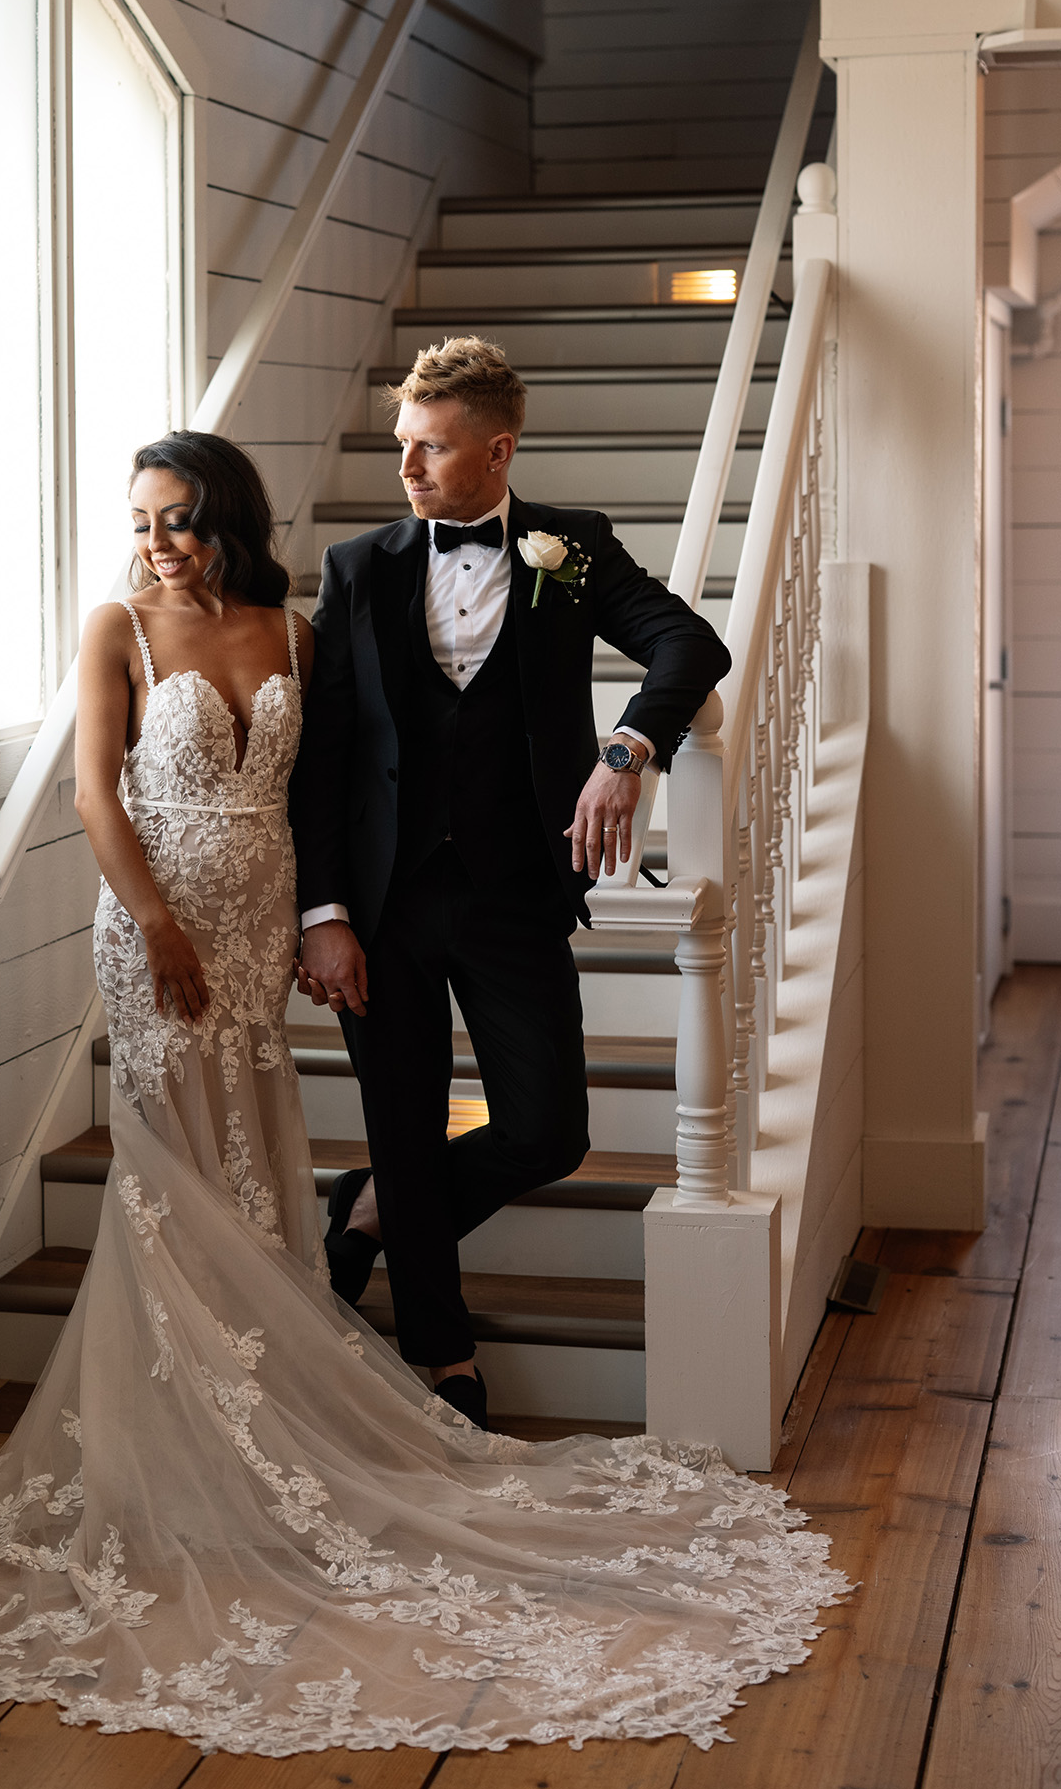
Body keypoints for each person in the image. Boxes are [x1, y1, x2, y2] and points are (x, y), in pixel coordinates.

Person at [0, 427, 845, 1756]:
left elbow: (325, 784)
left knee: (264, 1156)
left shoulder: (300, 627)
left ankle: (293, 1366)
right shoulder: (119, 626)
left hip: (268, 929)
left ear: (229, 518)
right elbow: (91, 791)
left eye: (179, 517)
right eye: (140, 518)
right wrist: (163, 925)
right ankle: (184, 1445)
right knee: (168, 1169)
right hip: (159, 925)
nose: (155, 540)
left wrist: (318, 914)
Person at [291, 336, 733, 1429]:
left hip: (513, 896)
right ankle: (444, 1355)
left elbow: (688, 647)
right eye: (403, 448)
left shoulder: (569, 551)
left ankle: (376, 1210)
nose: (406, 471)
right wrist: (324, 913)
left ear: (498, 452)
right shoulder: (359, 569)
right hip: (384, 906)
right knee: (402, 1115)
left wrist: (627, 751)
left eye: (429, 450)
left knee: (547, 1129)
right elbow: (327, 759)